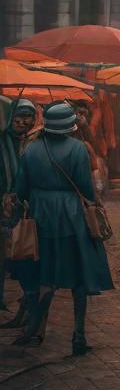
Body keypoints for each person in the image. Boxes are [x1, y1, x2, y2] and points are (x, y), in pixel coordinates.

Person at [12, 103, 114, 355]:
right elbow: (85, 188)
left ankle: (35, 330)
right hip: (71, 216)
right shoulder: (78, 149)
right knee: (78, 277)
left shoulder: (31, 149)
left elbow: (21, 188)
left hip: (40, 215)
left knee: (45, 275)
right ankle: (78, 334)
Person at [1, 99, 38, 327]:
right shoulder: (3, 141)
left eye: (28, 117)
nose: (22, 121)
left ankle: (28, 307)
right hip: (4, 210)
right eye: (19, 116)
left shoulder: (34, 143)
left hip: (25, 213)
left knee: (21, 259)